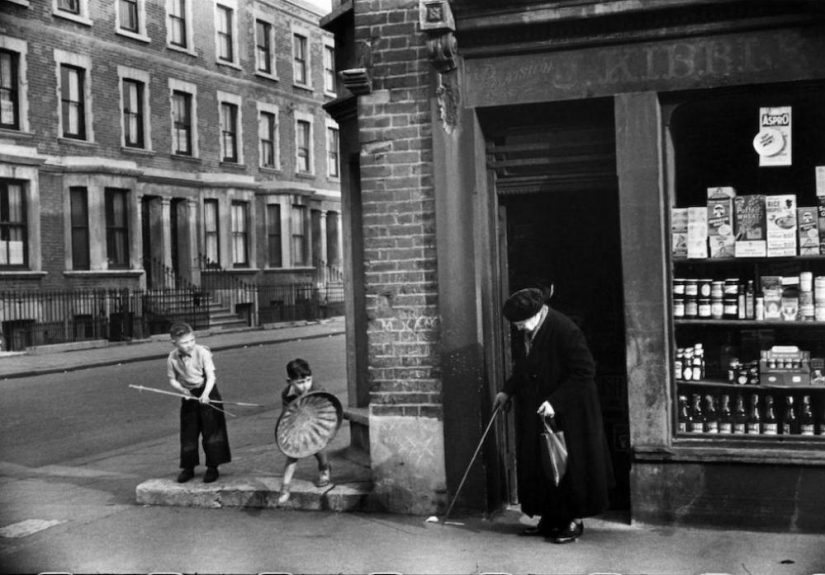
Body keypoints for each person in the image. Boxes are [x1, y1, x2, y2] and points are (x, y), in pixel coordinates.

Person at [493, 287, 614, 544]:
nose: (518, 329)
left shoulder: (564, 329)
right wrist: (507, 391)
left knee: (567, 466)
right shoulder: (530, 329)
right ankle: (549, 518)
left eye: (521, 323)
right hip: (542, 408)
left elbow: (584, 371)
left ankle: (572, 520)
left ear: (537, 314)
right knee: (544, 465)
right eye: (515, 324)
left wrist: (555, 402)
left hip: (571, 410)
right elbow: (525, 367)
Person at [167, 322, 231, 484]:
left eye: (191, 341)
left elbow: (211, 376)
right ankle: (188, 468)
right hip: (189, 395)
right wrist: (183, 391)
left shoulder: (202, 352)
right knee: (188, 433)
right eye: (183, 342)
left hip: (207, 391)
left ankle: (213, 467)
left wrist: (206, 394)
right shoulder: (172, 358)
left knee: (212, 432)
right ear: (174, 342)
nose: (189, 345)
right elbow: (172, 380)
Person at [277, 358, 332, 505]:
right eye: (300, 383)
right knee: (292, 452)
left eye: (308, 380)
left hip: (317, 421)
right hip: (298, 423)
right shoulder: (286, 394)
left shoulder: (317, 387)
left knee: (317, 446)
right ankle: (285, 487)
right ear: (289, 381)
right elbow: (286, 415)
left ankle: (324, 466)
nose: (305, 385)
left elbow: (325, 407)